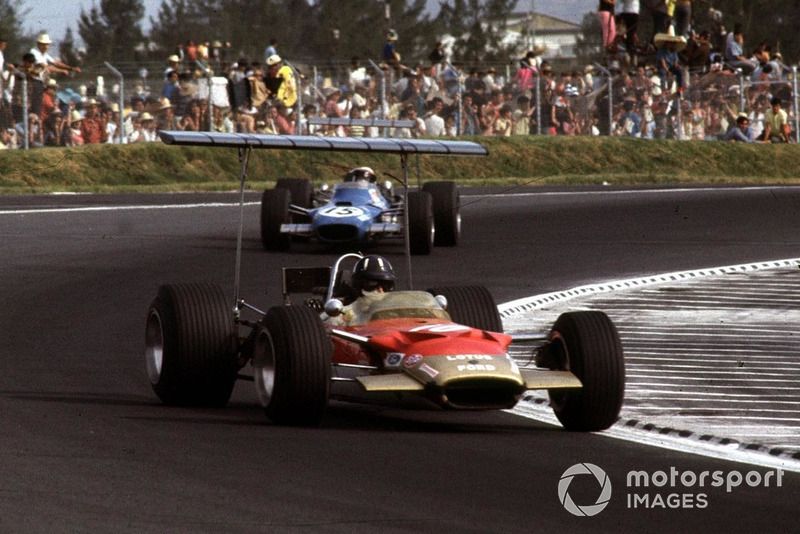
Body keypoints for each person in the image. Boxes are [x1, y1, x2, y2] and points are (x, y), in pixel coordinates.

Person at [324, 255, 396, 326]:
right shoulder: (340, 316)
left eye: (386, 285)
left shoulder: (395, 312)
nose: (380, 290)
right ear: (358, 284)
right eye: (373, 284)